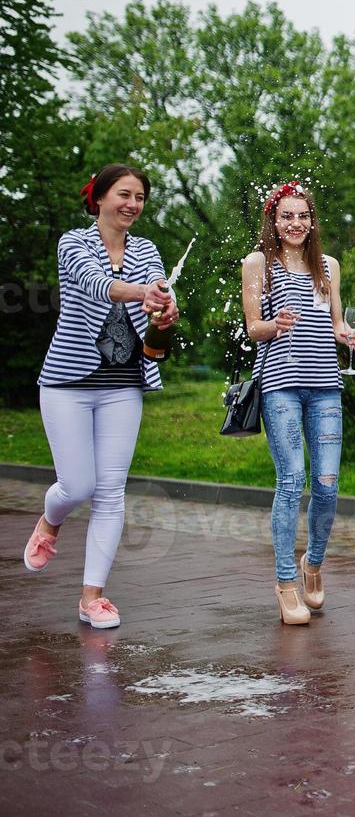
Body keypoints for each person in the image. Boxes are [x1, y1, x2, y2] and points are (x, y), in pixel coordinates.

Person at [25, 165, 179, 629]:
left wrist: (165, 309)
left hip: (122, 385)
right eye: (124, 194)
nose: (132, 204)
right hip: (67, 385)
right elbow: (99, 285)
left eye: (140, 197)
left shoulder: (147, 249)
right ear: (99, 198)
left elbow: (155, 294)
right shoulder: (73, 243)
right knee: (78, 486)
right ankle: (51, 521)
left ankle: (93, 597)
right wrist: (142, 293)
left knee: (111, 492)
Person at [241, 182, 355, 625]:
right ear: (274, 221)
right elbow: (253, 327)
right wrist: (272, 325)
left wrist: (346, 335)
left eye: (303, 216)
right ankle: (285, 582)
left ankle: (313, 563)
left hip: (325, 385)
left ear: (312, 222)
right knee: (291, 480)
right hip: (280, 384)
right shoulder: (259, 263)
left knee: (327, 483)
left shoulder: (327, 266)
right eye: (287, 216)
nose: (295, 224)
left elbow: (332, 323)